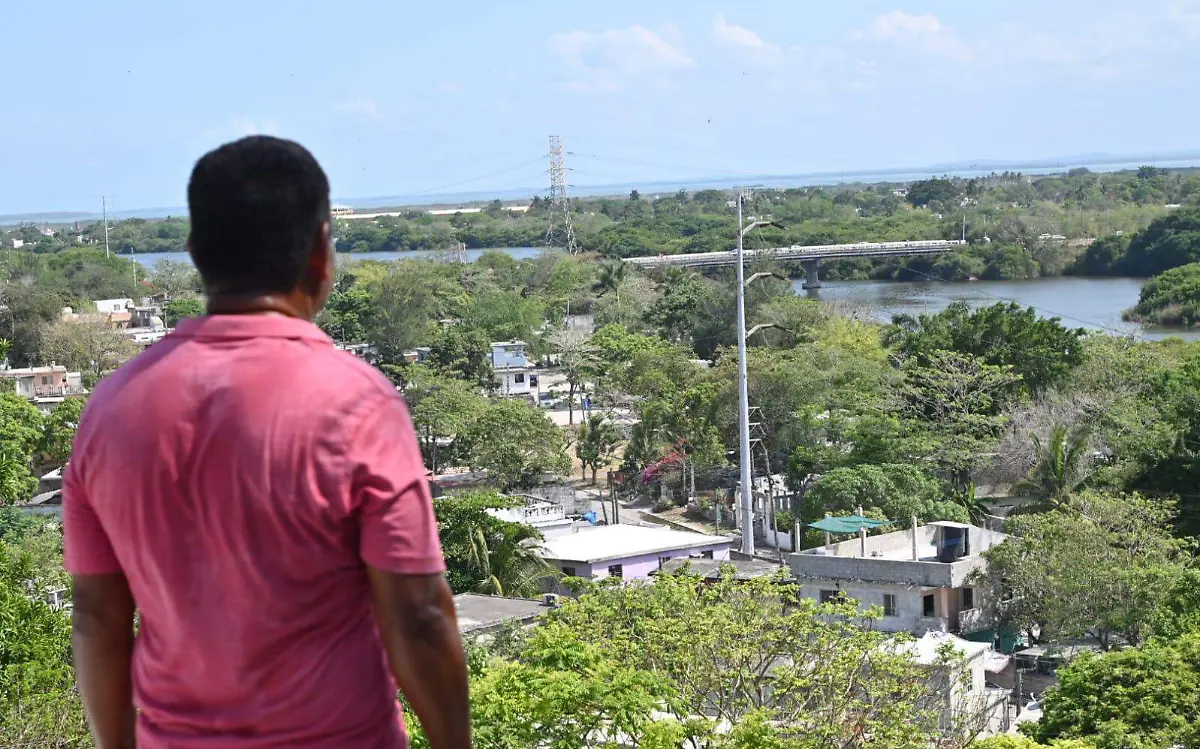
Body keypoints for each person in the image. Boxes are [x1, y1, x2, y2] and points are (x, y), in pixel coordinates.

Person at [64, 136, 471, 749]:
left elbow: (98, 617)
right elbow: (418, 616)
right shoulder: (356, 402)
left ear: (195, 250)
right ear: (321, 254)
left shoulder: (110, 409)